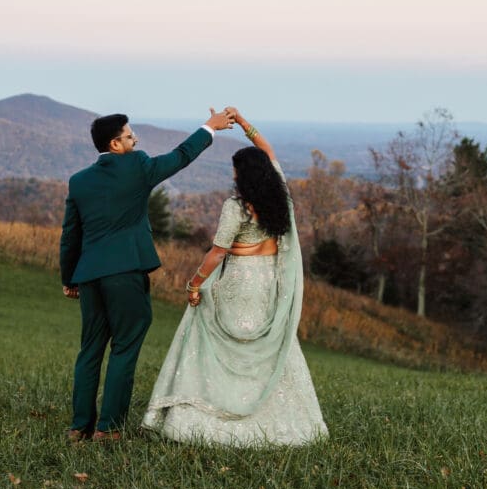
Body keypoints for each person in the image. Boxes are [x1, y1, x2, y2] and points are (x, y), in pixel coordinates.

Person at [142, 108, 328, 446]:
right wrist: (243, 123)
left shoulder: (237, 207)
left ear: (243, 176)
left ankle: (209, 417)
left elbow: (218, 252)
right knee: (266, 344)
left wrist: (195, 283)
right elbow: (268, 151)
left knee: (217, 339)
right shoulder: (280, 194)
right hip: (268, 279)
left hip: (240, 279)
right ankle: (279, 420)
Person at [61, 108, 235, 442]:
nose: (135, 138)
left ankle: (79, 426)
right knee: (125, 346)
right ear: (115, 144)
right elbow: (180, 156)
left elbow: (71, 235)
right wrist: (210, 128)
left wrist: (69, 278)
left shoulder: (79, 181)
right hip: (125, 273)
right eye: (129, 135)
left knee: (90, 350)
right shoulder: (137, 166)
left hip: (89, 276)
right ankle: (108, 429)